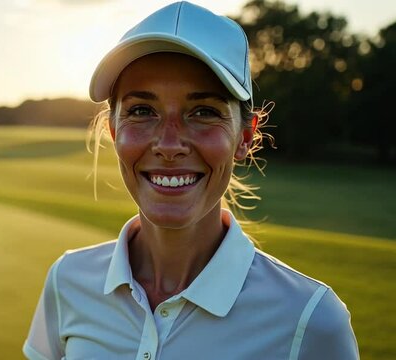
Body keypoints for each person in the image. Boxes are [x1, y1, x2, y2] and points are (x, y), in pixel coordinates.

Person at [23, 2, 359, 359]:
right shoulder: (67, 281)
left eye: (203, 112)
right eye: (141, 111)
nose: (169, 145)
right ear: (114, 129)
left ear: (244, 137)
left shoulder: (311, 321)